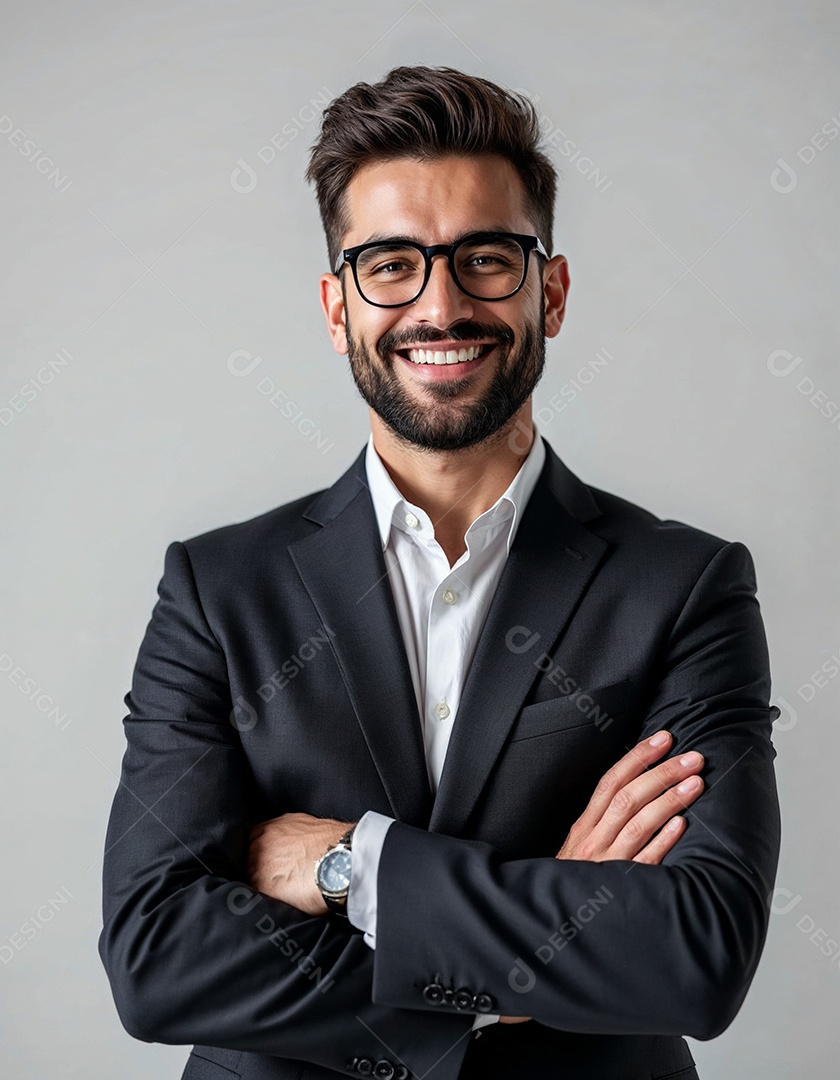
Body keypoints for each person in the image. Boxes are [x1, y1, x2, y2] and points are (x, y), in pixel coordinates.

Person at [99, 65, 781, 1080]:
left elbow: (695, 953)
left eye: (485, 259)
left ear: (550, 290)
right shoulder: (217, 590)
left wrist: (350, 865)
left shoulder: (685, 588)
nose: (442, 304)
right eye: (390, 265)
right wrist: (531, 962)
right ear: (337, 308)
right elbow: (157, 959)